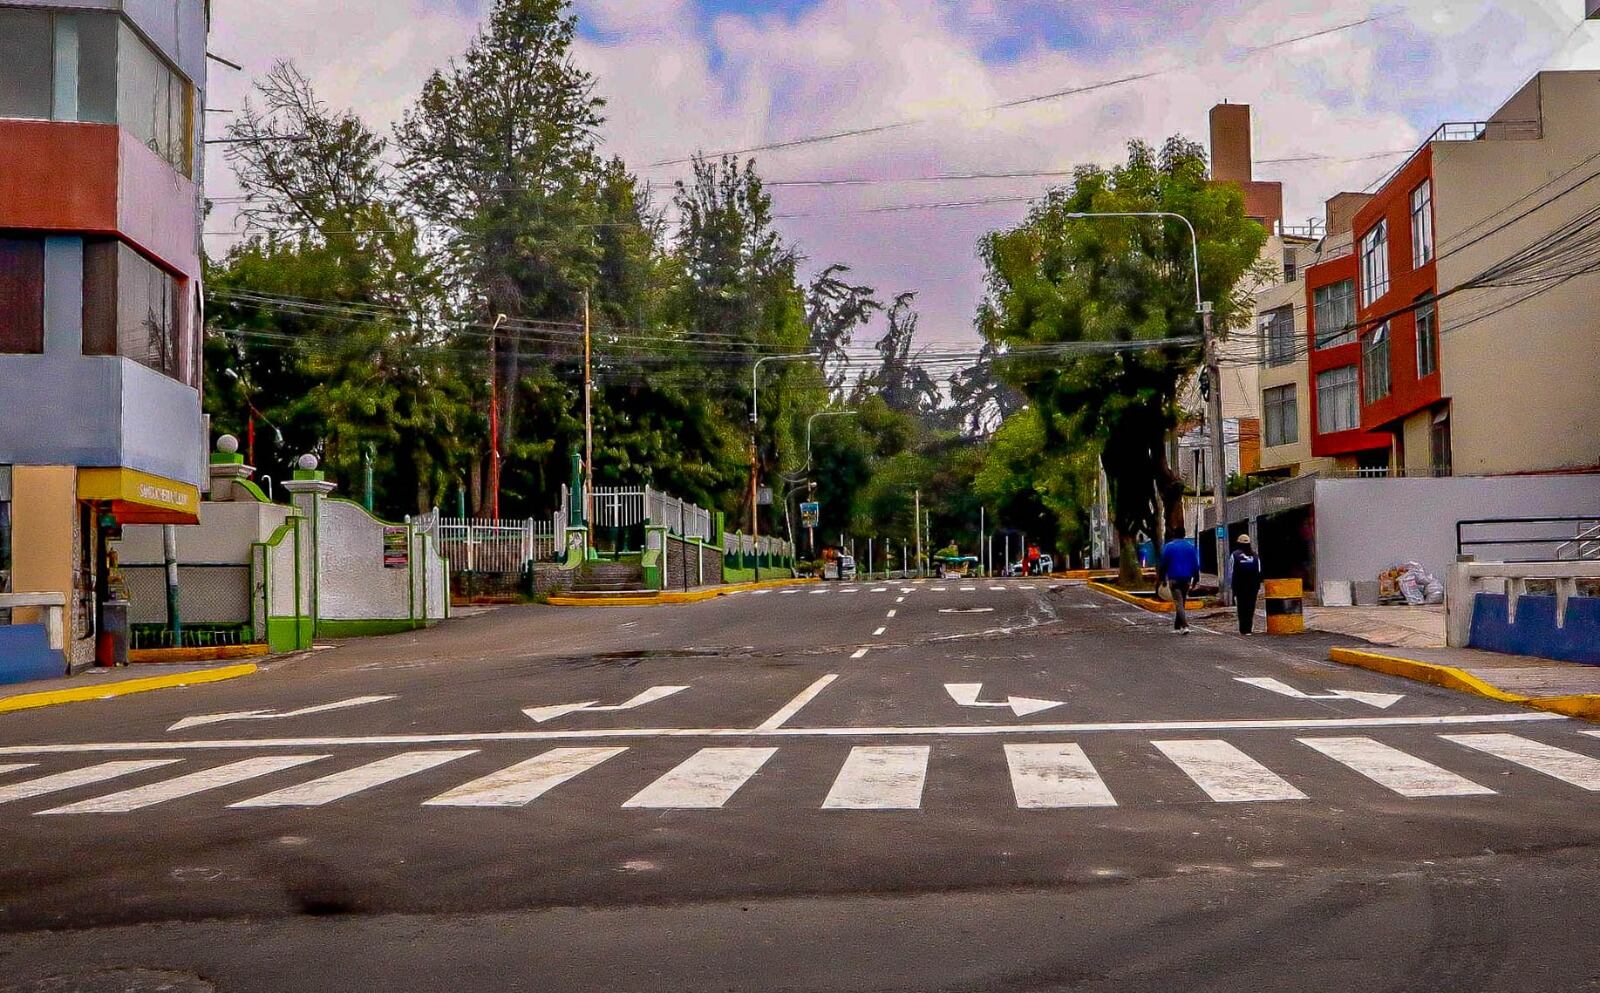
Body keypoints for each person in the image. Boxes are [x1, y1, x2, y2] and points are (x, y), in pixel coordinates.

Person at [1158, 528, 1201, 634]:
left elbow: (1163, 564)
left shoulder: (1169, 547)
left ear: (1173, 534)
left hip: (1174, 579)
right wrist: (1196, 580)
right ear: (1184, 535)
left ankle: (1185, 625)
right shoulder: (1190, 547)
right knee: (1182, 602)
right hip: (1186, 579)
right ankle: (1177, 626)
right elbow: (1195, 565)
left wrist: (1163, 578)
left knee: (1179, 603)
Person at [1230, 535, 1264, 635]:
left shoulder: (1235, 555)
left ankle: (1243, 628)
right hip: (1253, 586)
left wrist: (1232, 586)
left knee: (1241, 607)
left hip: (1239, 585)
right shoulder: (1255, 556)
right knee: (1250, 607)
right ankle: (1248, 628)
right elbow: (1259, 571)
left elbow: (1231, 571)